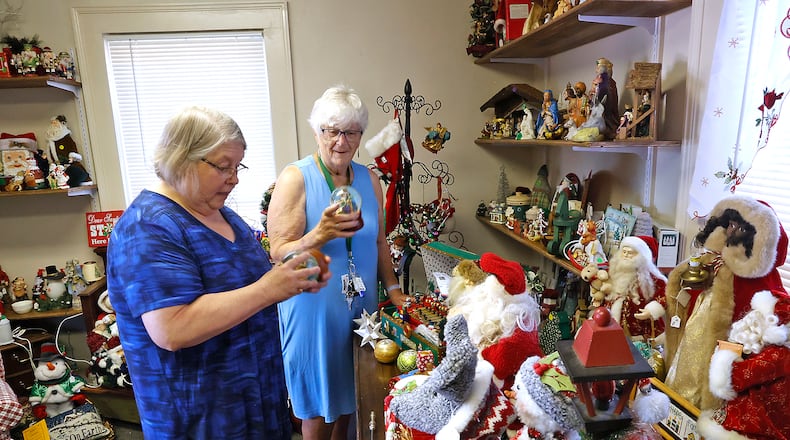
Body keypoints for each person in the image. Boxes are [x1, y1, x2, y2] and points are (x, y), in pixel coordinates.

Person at [106, 106, 327, 439]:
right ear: (182, 158)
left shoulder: (221, 214)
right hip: (201, 422)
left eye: (238, 166)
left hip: (257, 409)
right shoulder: (147, 227)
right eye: (224, 166)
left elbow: (244, 285)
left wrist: (292, 276)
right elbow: (172, 329)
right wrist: (270, 288)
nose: (234, 178)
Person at [267, 85, 408, 440]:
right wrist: (320, 234)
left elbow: (378, 241)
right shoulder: (295, 178)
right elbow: (278, 250)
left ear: (360, 135)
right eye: (331, 131)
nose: (340, 142)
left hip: (362, 307)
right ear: (317, 132)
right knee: (317, 406)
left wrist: (393, 290)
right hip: (312, 307)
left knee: (354, 396)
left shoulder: (370, 179)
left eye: (350, 132)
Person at [605, 236, 667, 341]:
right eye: (624, 252)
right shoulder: (615, 271)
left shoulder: (650, 277)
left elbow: (665, 292)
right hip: (613, 320)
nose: (626, 255)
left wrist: (652, 310)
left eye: (630, 253)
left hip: (641, 325)